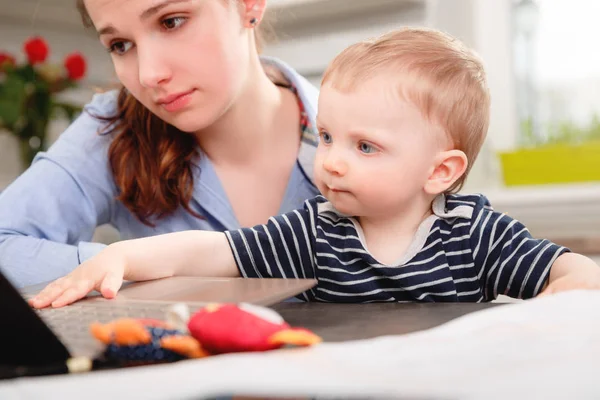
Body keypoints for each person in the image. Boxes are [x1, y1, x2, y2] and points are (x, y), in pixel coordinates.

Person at [30, 27, 600, 308]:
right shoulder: (314, 229)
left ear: (440, 172)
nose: (329, 161)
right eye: (326, 136)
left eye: (365, 147)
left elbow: (579, 276)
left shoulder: (476, 234)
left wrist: (533, 321)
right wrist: (121, 254)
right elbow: (211, 252)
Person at [0, 0, 320, 288]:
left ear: (248, 5)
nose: (149, 74)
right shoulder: (117, 127)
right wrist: (131, 265)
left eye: (172, 22)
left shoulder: (355, 133)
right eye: (120, 45)